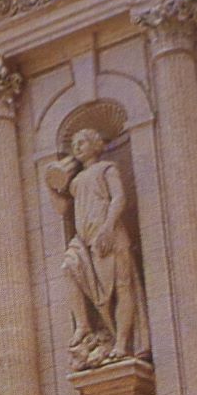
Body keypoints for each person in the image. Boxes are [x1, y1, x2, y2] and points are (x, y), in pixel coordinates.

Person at [50, 127, 150, 368]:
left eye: (82, 141)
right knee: (68, 268)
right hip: (84, 239)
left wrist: (108, 227)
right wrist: (51, 184)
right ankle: (83, 324)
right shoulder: (75, 181)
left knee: (121, 287)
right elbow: (62, 210)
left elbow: (119, 198)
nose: (77, 147)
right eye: (74, 144)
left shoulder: (107, 169)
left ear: (96, 145)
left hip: (108, 235)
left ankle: (122, 343)